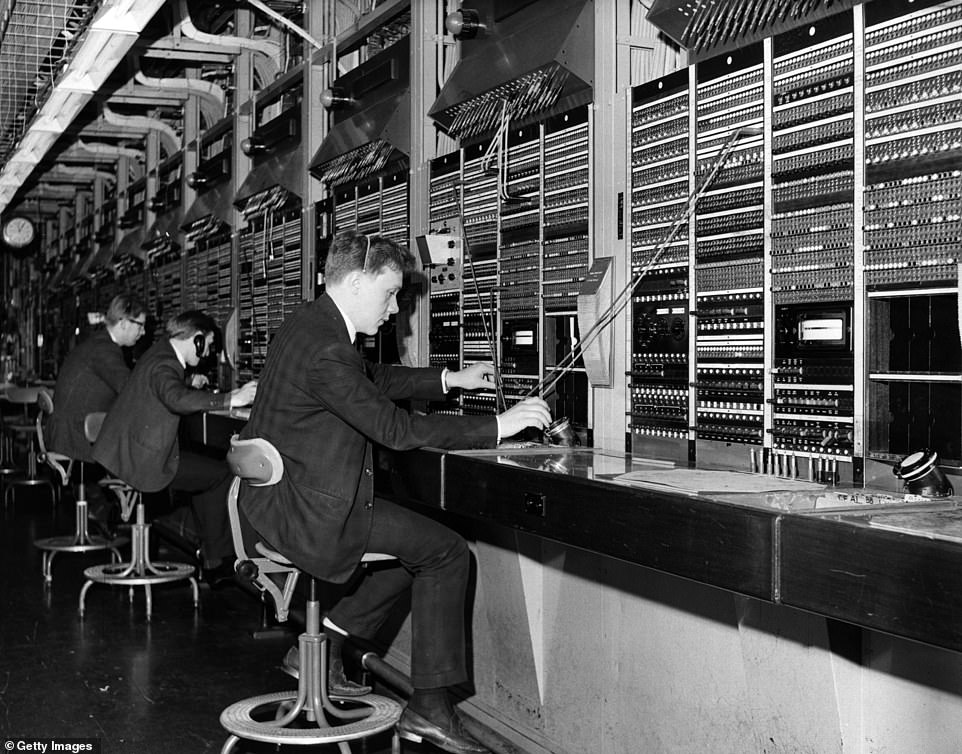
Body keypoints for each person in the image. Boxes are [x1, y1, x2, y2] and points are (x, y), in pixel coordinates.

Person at [238, 230, 551, 754]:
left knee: (413, 545)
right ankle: (429, 708)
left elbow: (372, 377)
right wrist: (499, 426)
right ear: (357, 282)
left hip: (283, 501)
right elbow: (396, 431)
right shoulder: (327, 351)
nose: (394, 312)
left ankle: (322, 647)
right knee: (446, 551)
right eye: (388, 295)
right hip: (311, 513)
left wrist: (451, 379)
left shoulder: (309, 324)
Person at [92, 310, 257, 575]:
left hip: (127, 453)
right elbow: (174, 398)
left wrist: (188, 382)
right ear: (197, 339)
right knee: (220, 475)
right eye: (208, 345)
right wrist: (231, 399)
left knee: (207, 472)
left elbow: (164, 387)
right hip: (141, 462)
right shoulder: (165, 362)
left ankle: (212, 556)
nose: (206, 354)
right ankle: (218, 561)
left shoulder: (160, 354)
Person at [46, 294, 148, 526]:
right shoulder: (105, 350)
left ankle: (105, 510)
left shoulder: (97, 343)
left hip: (66, 432)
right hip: (75, 437)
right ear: (124, 322)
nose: (143, 332)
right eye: (140, 325)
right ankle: (128, 523)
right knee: (150, 456)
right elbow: (129, 388)